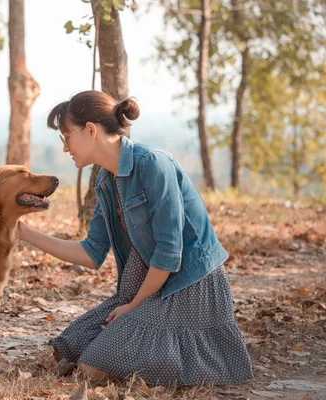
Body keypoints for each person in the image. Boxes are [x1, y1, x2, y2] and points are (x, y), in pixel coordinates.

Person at [17, 90, 253, 386]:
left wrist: (133, 306)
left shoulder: (153, 163)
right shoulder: (105, 180)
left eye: (66, 136)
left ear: (90, 130)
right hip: (147, 284)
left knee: (92, 369)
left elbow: (169, 253)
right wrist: (25, 233)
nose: (65, 148)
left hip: (187, 285)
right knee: (66, 348)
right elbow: (91, 254)